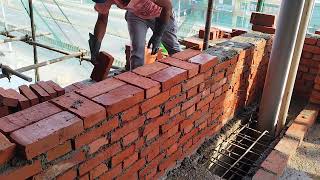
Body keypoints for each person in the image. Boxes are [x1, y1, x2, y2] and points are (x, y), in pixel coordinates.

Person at [89, 0, 181, 69]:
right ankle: (136, 85)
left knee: (173, 49)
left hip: (160, 13)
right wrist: (96, 46)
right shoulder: (103, 1)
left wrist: (158, 35)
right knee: (137, 53)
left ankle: (183, 75)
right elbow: (102, 19)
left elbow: (168, 6)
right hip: (136, 15)